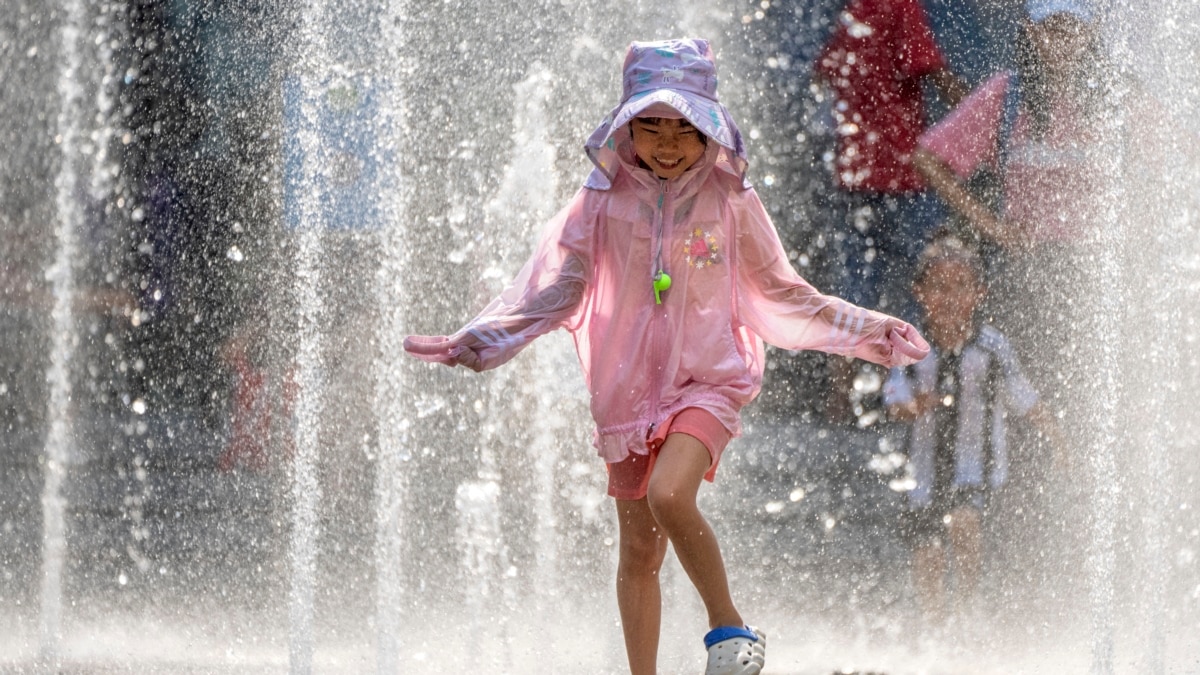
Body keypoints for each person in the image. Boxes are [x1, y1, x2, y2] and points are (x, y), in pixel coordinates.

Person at [403, 38, 931, 675]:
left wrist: (868, 332)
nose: (667, 142)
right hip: (625, 397)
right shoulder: (601, 201)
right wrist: (485, 340)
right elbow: (559, 288)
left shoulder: (731, 201)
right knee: (637, 557)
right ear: (625, 128)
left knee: (670, 495)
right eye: (649, 126)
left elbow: (781, 292)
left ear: (709, 127)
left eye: (684, 127)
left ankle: (730, 631)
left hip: (707, 382)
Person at [883, 235, 1065, 628]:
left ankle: (966, 608)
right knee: (927, 552)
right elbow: (894, 402)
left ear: (979, 293)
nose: (950, 297)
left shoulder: (991, 347)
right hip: (921, 477)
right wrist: (915, 405)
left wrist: (1058, 437)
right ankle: (935, 625)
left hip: (975, 471)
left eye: (961, 287)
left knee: (965, 522)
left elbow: (1025, 397)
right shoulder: (910, 346)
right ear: (920, 292)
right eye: (939, 286)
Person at [813, 0, 968, 420]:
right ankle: (922, 392)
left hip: (854, 177)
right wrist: (973, 112)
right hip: (903, 177)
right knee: (920, 283)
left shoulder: (855, 11)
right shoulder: (903, 6)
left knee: (851, 292)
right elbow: (931, 69)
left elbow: (824, 73)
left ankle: (840, 398)